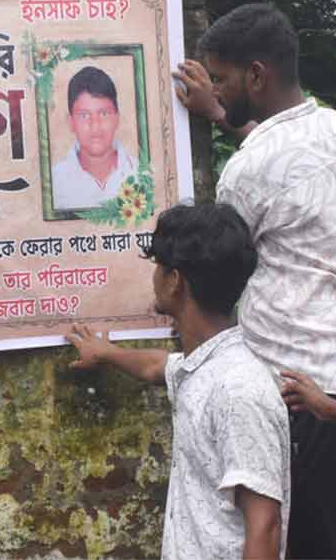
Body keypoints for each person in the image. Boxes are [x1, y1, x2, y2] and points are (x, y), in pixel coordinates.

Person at [172, 2, 336, 559]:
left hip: (296, 386)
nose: (214, 86)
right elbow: (276, 154)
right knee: (330, 522)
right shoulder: (331, 127)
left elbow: (223, 257)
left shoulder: (251, 168)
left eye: (220, 78)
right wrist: (222, 113)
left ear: (256, 76)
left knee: (311, 540)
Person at [67, 203, 290, 560]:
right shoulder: (203, 366)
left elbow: (265, 526)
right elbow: (160, 366)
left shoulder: (238, 391)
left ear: (174, 281)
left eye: (159, 266)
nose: (154, 275)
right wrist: (106, 352)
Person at [51, 65, 135, 209]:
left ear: (117, 118)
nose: (95, 126)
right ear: (71, 122)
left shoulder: (142, 173)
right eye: (84, 115)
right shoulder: (53, 182)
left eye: (103, 114)